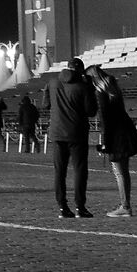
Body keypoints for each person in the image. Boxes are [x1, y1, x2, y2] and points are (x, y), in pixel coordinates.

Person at [46, 57, 99, 218]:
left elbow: (46, 105)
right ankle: (80, 206)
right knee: (80, 170)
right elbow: (91, 111)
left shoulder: (52, 83)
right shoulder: (83, 87)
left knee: (59, 171)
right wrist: (90, 87)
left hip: (56, 131)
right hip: (76, 132)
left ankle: (62, 206)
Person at [90, 65, 137, 218]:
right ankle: (125, 204)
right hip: (125, 131)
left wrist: (105, 142)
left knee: (119, 172)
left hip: (116, 136)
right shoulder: (114, 91)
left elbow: (105, 118)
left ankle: (125, 206)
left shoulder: (101, 93)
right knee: (123, 171)